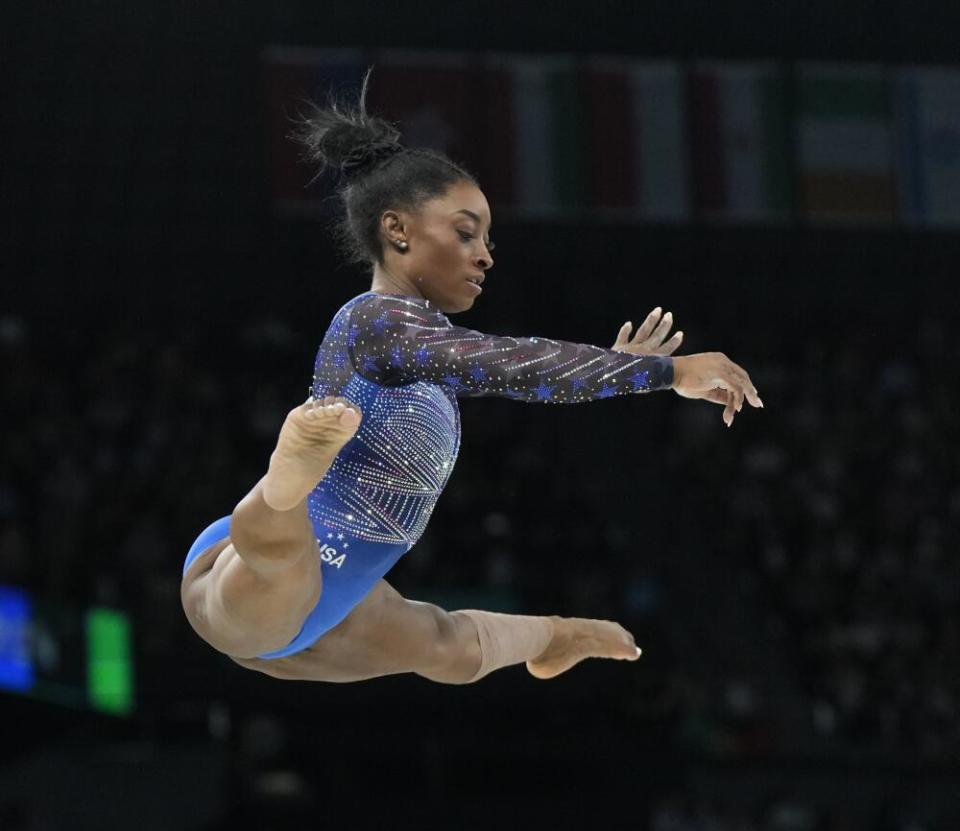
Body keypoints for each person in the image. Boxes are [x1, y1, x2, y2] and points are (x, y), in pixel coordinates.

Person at [181, 72, 761, 687]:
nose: (485, 254)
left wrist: (611, 367)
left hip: (330, 601)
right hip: (255, 573)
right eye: (464, 232)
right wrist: (665, 371)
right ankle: (285, 481)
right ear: (397, 230)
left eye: (486, 237)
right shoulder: (377, 321)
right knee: (273, 578)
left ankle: (558, 635)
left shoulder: (427, 350)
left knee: (447, 648)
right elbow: (511, 364)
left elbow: (513, 371)